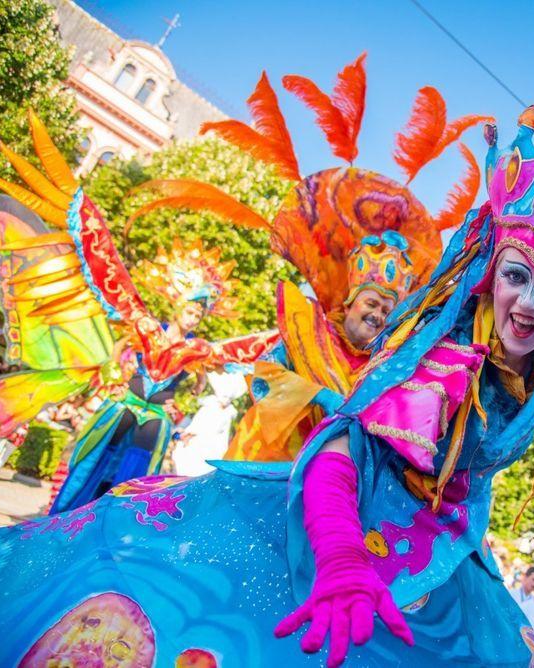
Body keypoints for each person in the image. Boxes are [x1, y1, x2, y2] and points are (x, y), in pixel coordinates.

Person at [0, 88, 534, 667]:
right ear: (490, 277)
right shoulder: (441, 359)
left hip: (438, 563)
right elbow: (342, 444)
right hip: (327, 532)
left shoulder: (529, 372)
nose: (527, 301)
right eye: (517, 275)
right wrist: (341, 554)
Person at [132, 55, 476, 464]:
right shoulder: (307, 329)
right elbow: (263, 378)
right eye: (371, 303)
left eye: (386, 310)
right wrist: (317, 396)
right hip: (267, 463)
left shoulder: (385, 365)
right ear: (349, 302)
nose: (377, 314)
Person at [0, 114, 280, 514]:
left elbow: (253, 347)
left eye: (200, 312)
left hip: (154, 424)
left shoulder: (199, 351)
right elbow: (106, 267)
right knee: (84, 478)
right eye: (190, 307)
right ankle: (60, 522)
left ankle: (106, 535)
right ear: (177, 303)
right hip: (119, 410)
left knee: (127, 493)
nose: (194, 316)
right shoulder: (144, 325)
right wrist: (82, 211)